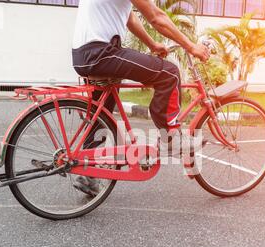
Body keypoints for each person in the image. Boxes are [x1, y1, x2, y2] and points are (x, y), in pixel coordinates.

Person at [72, 0, 210, 196]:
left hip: (83, 56)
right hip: (101, 53)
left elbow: (129, 17)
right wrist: (191, 46)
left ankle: (87, 172)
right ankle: (170, 139)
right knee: (169, 74)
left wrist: (152, 44)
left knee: (102, 111)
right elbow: (156, 17)